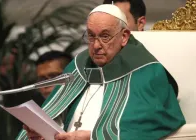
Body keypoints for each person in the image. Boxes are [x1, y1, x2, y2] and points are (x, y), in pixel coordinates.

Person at [17, 4, 185, 140]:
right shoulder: (78, 66)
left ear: (124, 36)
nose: (96, 45)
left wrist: (93, 137)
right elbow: (59, 118)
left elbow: (154, 123)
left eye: (105, 37)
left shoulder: (146, 70)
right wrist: (44, 134)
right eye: (91, 36)